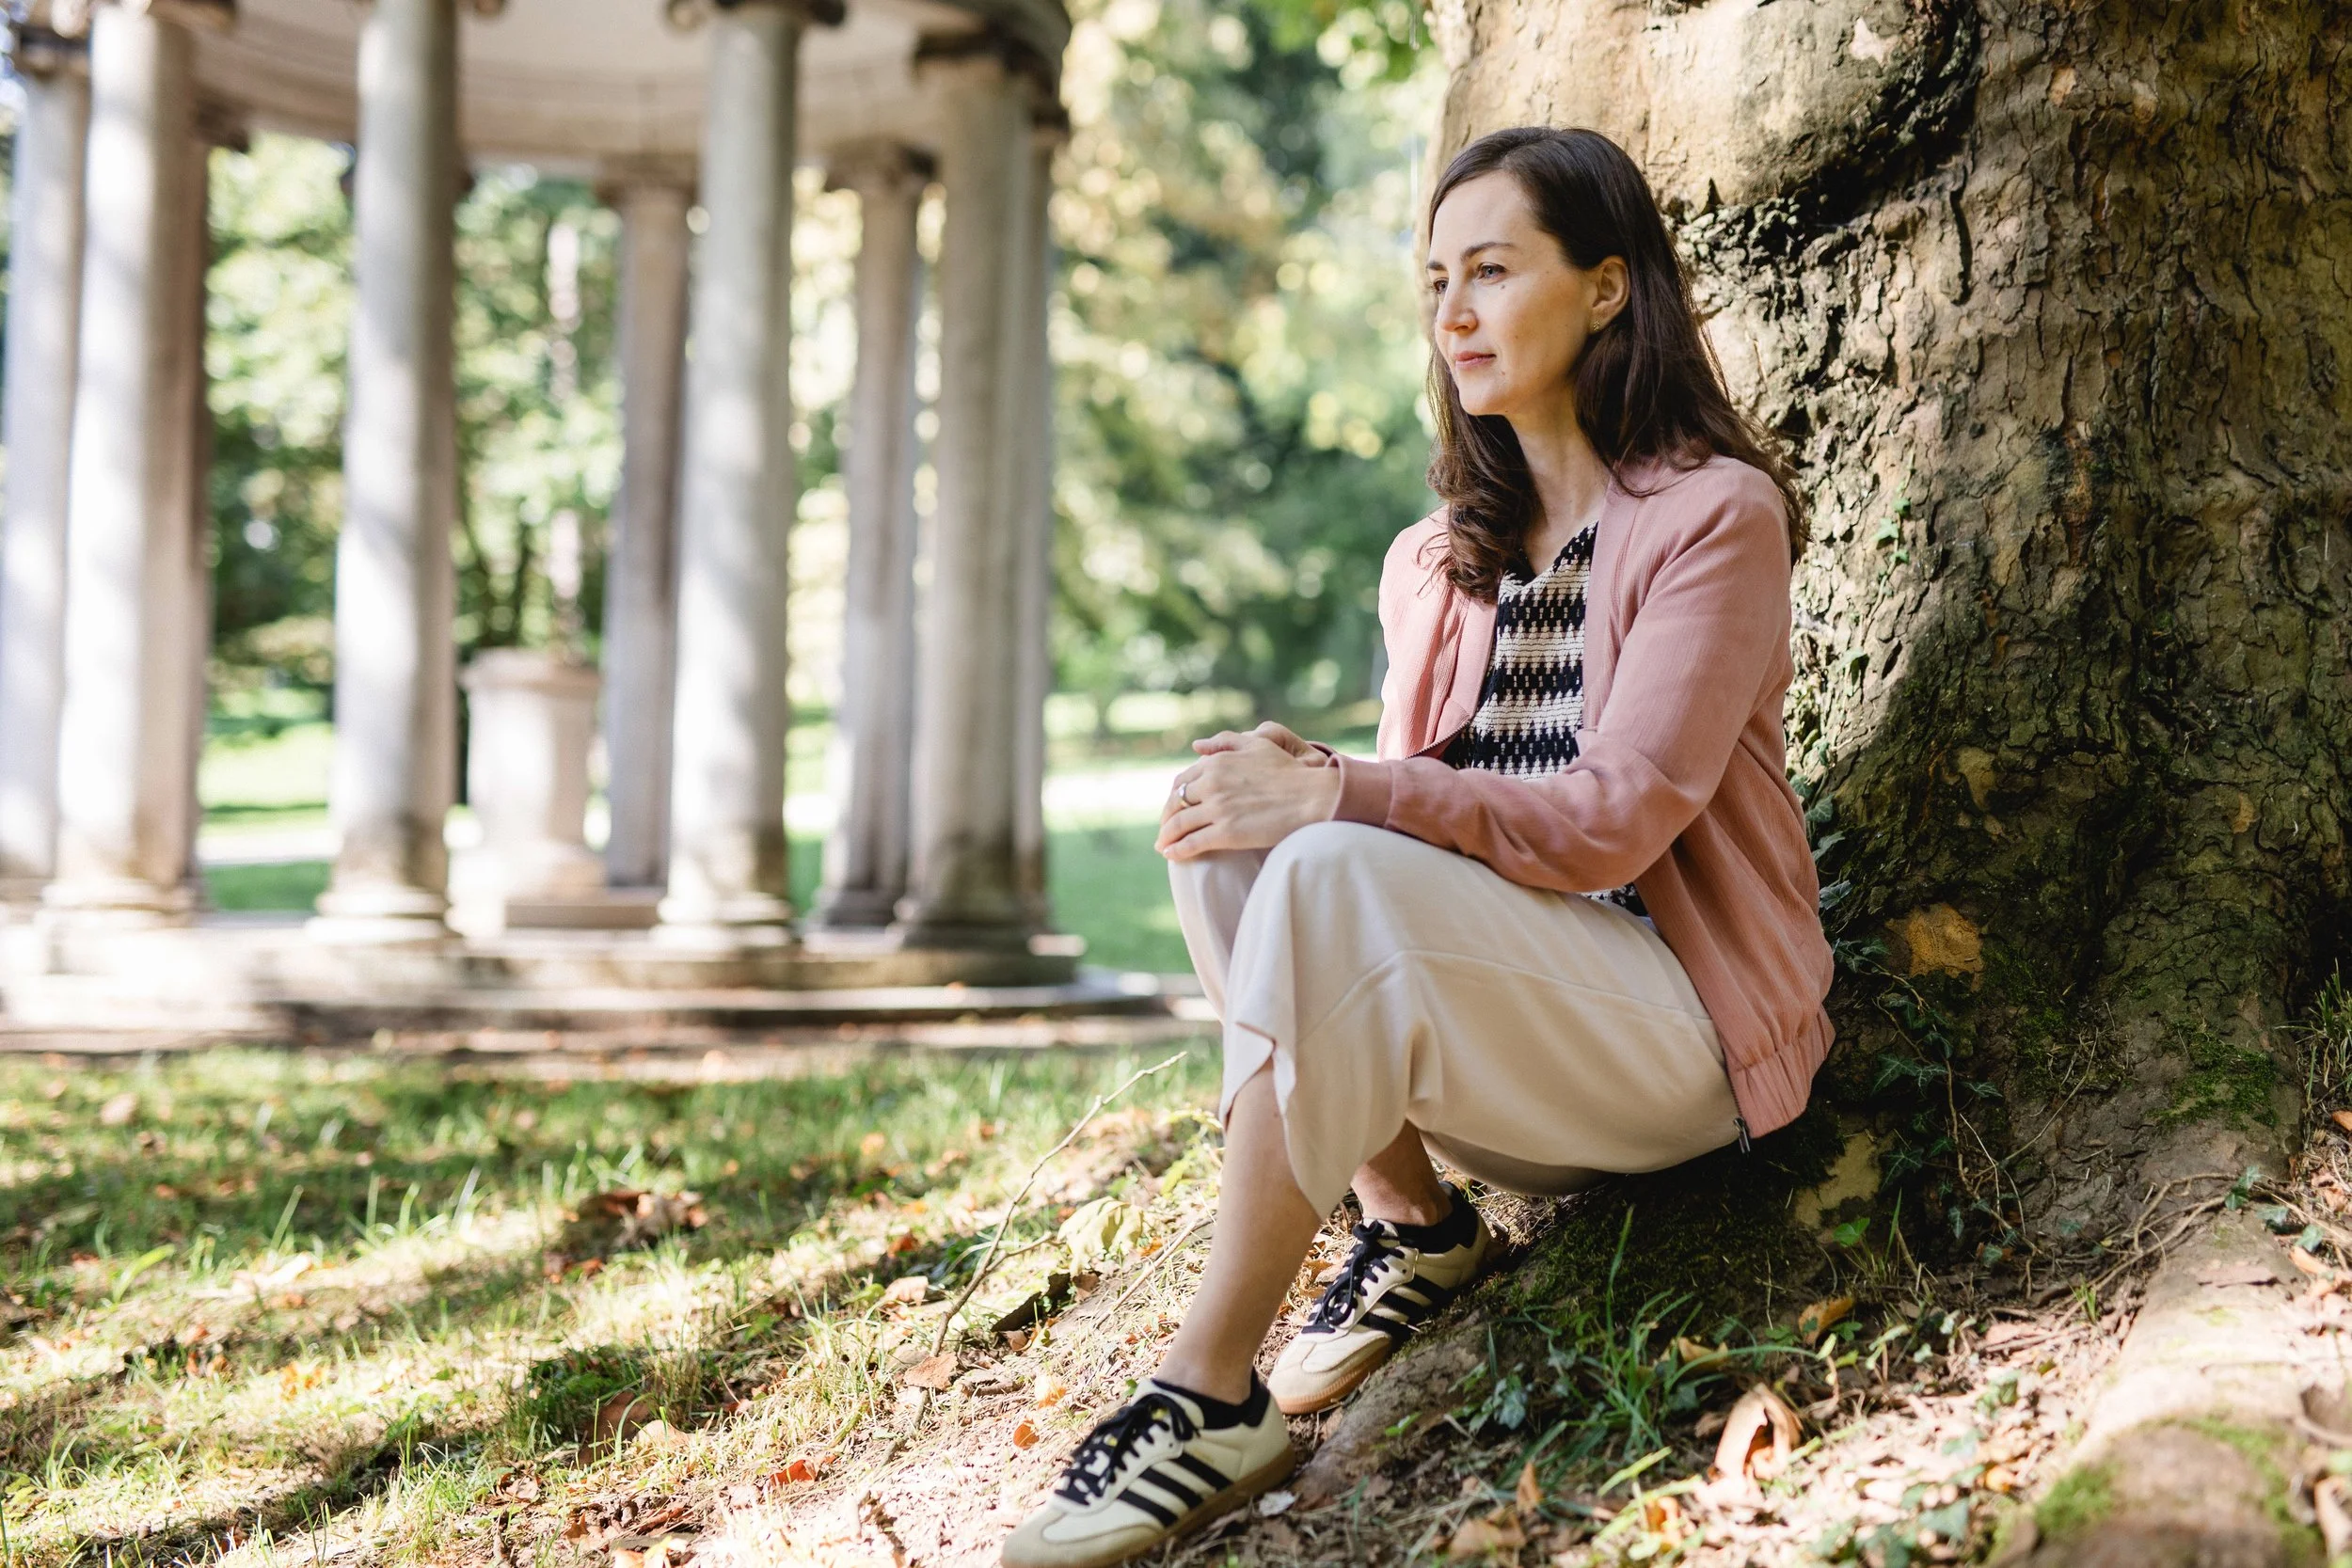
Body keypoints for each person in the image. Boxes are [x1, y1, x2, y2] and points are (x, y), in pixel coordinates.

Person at [1000, 124, 1836, 1568]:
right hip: (1506, 1037)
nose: (1451, 312)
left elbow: (1609, 822)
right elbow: (1410, 815)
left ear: (1607, 289)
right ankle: (1416, 1229)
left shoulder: (1715, 520)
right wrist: (1302, 787)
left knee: (1321, 841)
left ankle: (1204, 1390)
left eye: (1493, 271)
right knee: (1226, 834)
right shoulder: (1436, 561)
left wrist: (1340, 791)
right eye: (1434, 278)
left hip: (1678, 1036)